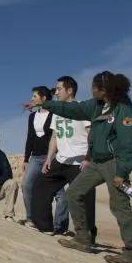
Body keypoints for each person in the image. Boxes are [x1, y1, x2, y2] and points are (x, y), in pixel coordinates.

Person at [29, 71, 132, 263]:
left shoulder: (123, 110)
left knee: (120, 206)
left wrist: (122, 172)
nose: (92, 89)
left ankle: (131, 254)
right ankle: (83, 238)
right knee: (74, 192)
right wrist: (45, 104)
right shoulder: (95, 105)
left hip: (115, 164)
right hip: (96, 163)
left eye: (95, 86)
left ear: (105, 89)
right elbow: (71, 109)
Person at [31, 76, 97, 241]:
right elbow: (54, 136)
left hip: (80, 161)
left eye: (59, 89)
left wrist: (88, 157)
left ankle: (88, 235)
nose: (56, 92)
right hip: (61, 160)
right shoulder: (57, 111)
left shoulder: (82, 109)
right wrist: (48, 159)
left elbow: (92, 135)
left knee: (84, 199)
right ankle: (45, 227)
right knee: (40, 186)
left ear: (70, 91)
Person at [21, 86, 65, 230]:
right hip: (35, 157)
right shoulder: (32, 116)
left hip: (52, 157)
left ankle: (60, 226)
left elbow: (57, 137)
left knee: (59, 193)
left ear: (44, 98)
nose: (32, 99)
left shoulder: (55, 114)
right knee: (26, 185)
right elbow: (30, 137)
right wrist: (26, 159)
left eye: (35, 96)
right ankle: (30, 218)